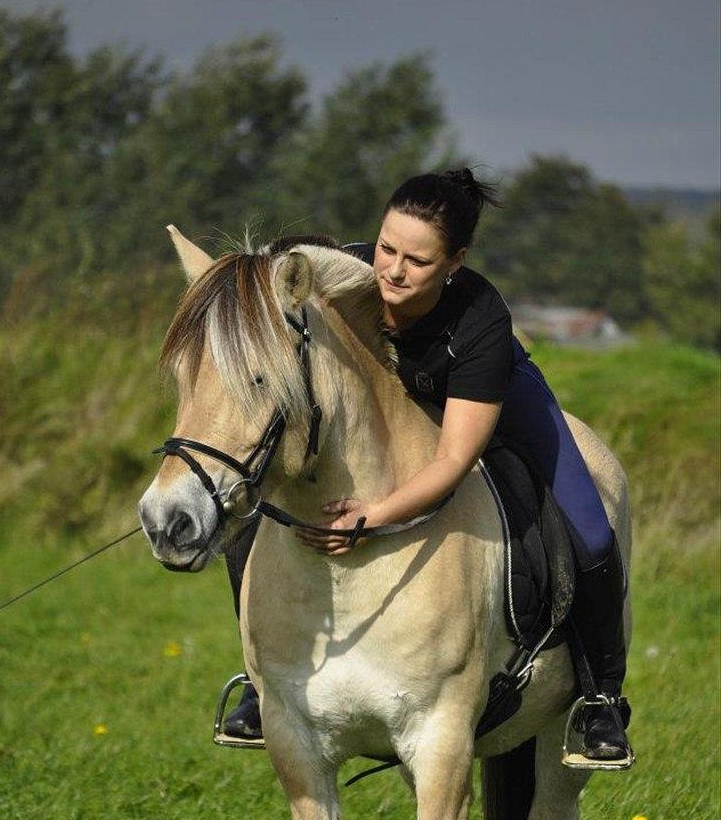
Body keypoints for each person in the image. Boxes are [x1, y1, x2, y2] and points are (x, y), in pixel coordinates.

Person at [223, 169, 631, 764]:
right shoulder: (348, 274)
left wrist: (376, 514)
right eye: (386, 248)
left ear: (454, 261)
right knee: (253, 505)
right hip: (390, 403)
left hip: (492, 400)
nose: (391, 270)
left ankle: (600, 700)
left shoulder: (480, 318)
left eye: (417, 260)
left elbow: (455, 458)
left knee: (591, 532)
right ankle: (263, 683)